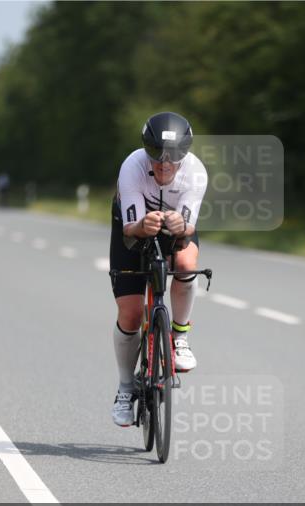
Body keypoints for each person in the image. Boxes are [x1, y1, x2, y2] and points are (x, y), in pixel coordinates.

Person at [109, 111, 208, 427]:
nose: (165, 164)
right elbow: (130, 230)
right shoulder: (132, 167)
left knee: (185, 263)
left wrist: (181, 225)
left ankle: (179, 337)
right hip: (135, 223)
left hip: (174, 222)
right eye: (157, 156)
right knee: (132, 314)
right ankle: (126, 387)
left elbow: (187, 227)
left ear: (185, 155)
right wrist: (141, 225)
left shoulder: (195, 173)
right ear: (146, 151)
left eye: (174, 158)